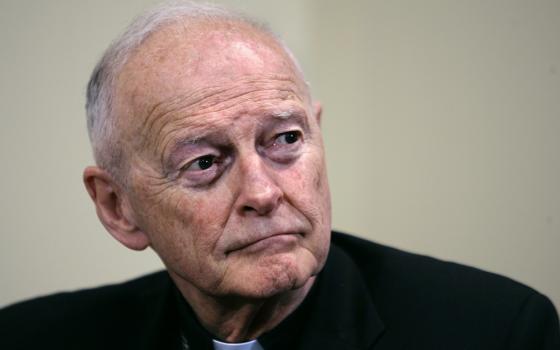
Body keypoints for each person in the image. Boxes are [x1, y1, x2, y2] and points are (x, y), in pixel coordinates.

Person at [1, 1, 558, 349]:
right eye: (203, 163)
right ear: (118, 208)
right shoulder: (29, 337)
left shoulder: (497, 330)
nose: (264, 193)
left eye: (286, 140)